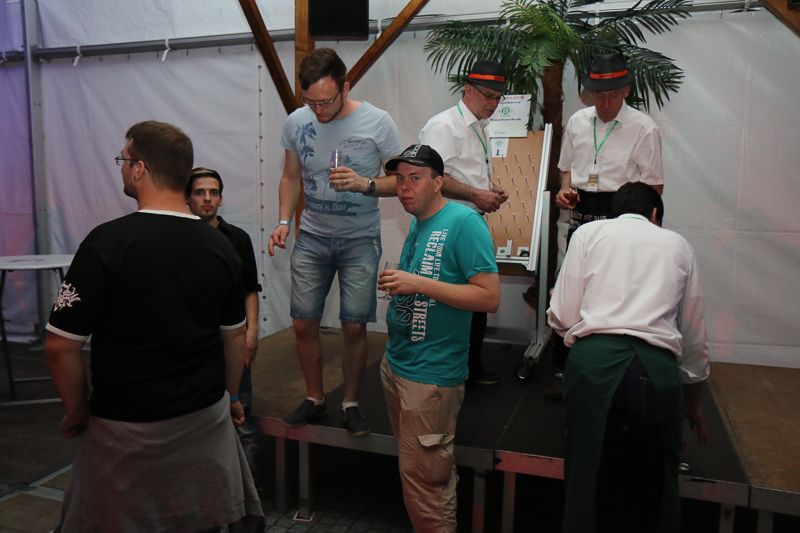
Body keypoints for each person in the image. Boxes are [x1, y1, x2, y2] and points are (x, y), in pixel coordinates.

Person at [44, 121, 263, 531]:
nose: (122, 167)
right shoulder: (221, 246)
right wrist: (233, 396)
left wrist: (77, 411)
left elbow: (60, 347)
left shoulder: (106, 243)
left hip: (123, 430)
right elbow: (234, 336)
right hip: (202, 421)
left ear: (140, 168)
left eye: (123, 159)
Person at [547, 182, 709, 533]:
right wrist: (693, 403)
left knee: (585, 472)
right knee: (656, 478)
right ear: (655, 214)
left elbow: (562, 315)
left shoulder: (588, 234)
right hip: (655, 368)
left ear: (614, 212)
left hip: (592, 362)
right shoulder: (679, 245)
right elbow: (694, 333)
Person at [268, 47, 402, 436]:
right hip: (312, 237)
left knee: (354, 326)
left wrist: (364, 183)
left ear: (345, 88)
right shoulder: (297, 122)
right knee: (302, 323)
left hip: (359, 239)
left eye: (326, 102)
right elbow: (290, 176)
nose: (319, 110)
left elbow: (401, 179)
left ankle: (351, 402)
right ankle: (315, 398)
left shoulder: (377, 121)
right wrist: (283, 221)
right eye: (310, 102)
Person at [378, 144, 500, 532]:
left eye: (415, 178)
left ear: (438, 182)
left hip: (431, 377)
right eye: (400, 179)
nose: (404, 187)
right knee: (419, 474)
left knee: (427, 487)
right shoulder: (419, 221)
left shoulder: (465, 222)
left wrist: (418, 283)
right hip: (398, 364)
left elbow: (489, 297)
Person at [548, 52, 665, 397]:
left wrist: (637, 221)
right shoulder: (578, 122)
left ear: (626, 90)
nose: (606, 103)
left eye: (613, 95)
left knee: (615, 290)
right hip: (581, 207)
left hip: (623, 209)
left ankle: (616, 373)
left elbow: (654, 187)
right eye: (599, 96)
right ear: (589, 94)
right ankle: (567, 372)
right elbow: (566, 168)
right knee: (574, 286)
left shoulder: (644, 128)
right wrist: (565, 191)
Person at [418, 59, 509, 386]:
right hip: (448, 225)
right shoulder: (444, 126)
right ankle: (450, 371)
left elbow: (462, 172)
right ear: (468, 89)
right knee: (451, 300)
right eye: (488, 96)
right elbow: (430, 179)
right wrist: (475, 194)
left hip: (469, 221)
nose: (493, 104)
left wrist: (488, 189)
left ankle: (470, 368)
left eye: (498, 98)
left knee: (476, 298)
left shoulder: (479, 125)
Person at [185, 167, 262, 416]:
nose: (207, 198)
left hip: (233, 337)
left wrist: (252, 332)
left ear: (221, 199)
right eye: (200, 192)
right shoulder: (176, 238)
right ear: (187, 198)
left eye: (214, 192)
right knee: (195, 413)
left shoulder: (238, 239)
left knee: (240, 414)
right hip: (190, 339)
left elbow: (250, 289)